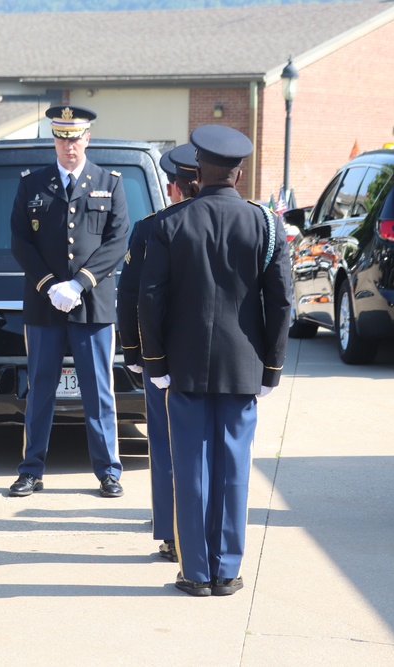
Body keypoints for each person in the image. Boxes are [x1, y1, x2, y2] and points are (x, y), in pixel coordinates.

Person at [138, 125, 291, 597]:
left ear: (198, 170)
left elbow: (150, 298)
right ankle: (227, 570)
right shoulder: (266, 224)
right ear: (239, 173)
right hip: (243, 365)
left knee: (190, 467)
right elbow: (283, 301)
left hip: (182, 365)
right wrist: (272, 366)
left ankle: (196, 572)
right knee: (234, 468)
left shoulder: (170, 223)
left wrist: (154, 361)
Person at [8, 105, 130, 498]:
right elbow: (20, 242)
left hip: (92, 304)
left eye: (75, 138)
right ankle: (31, 470)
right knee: (40, 388)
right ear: (54, 141)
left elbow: (117, 240)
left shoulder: (108, 183)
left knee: (98, 390)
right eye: (61, 138)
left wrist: (79, 284)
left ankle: (109, 471)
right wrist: (49, 285)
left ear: (87, 139)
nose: (68, 146)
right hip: (44, 305)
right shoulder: (32, 183)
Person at [116, 143, 198, 562]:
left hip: (163, 355)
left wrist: (133, 351)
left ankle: (170, 530)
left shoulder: (152, 227)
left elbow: (131, 294)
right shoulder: (250, 220)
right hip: (221, 359)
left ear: (173, 187)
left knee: (165, 443)